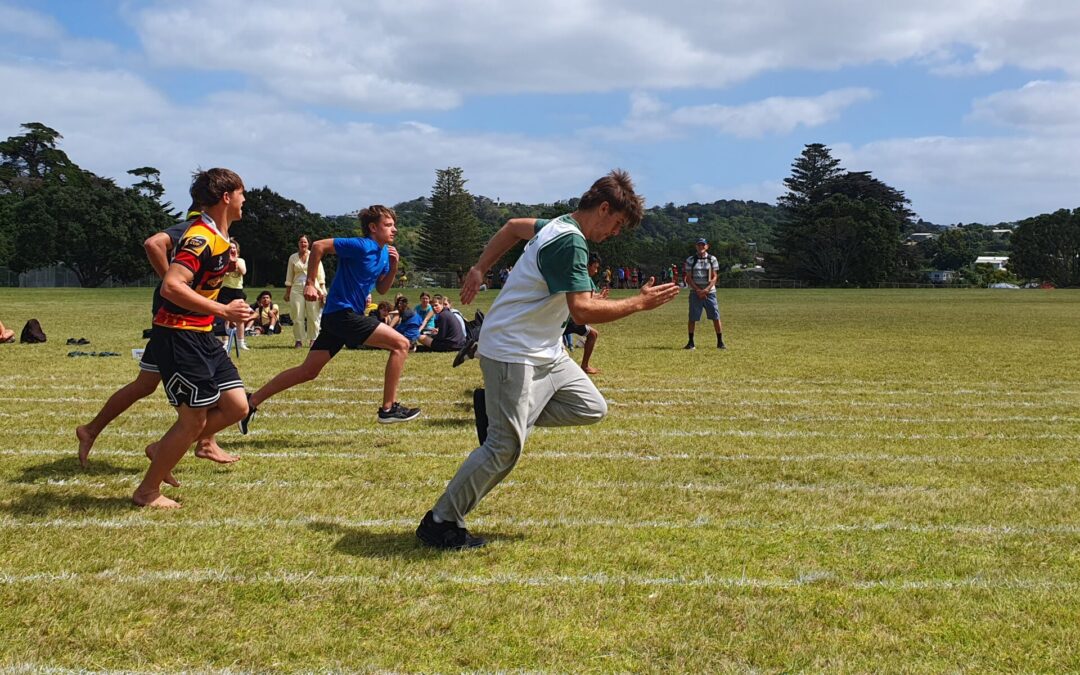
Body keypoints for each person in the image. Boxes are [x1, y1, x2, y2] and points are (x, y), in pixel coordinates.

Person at [416, 170, 680, 549]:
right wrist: (639, 303)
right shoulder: (570, 242)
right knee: (504, 449)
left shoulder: (557, 224)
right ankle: (440, 521)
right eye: (618, 224)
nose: (615, 233)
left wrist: (480, 267)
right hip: (513, 350)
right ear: (604, 209)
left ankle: (498, 411)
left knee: (591, 407)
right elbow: (583, 310)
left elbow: (512, 227)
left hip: (547, 351)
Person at [76, 206, 238, 469]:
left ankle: (91, 430)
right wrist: (173, 282)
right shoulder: (195, 229)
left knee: (144, 384)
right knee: (199, 387)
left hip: (181, 320)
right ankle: (192, 445)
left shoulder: (215, 233)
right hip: (178, 322)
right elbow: (153, 243)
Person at [134, 168, 256, 508]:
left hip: (201, 333)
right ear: (226, 197)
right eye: (242, 193)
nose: (245, 200)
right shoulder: (200, 237)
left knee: (237, 406)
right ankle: (147, 491)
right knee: (194, 420)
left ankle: (163, 449)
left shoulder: (220, 236)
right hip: (179, 335)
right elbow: (172, 286)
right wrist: (223, 310)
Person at [239, 205, 421, 429]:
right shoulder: (362, 245)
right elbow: (318, 246)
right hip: (342, 314)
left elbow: (382, 289)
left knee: (308, 371)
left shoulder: (385, 253)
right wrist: (310, 283)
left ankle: (251, 402)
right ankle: (388, 408)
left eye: (394, 225)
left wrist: (393, 267)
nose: (395, 229)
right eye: (388, 225)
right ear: (373, 228)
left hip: (340, 317)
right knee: (401, 344)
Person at [562, 252, 605, 374]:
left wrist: (597, 297)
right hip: (567, 318)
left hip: (567, 318)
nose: (596, 271)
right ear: (587, 265)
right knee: (593, 335)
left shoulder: (585, 279)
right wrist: (596, 299)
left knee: (592, 334)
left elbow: (586, 298)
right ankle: (584, 366)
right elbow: (582, 300)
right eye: (595, 267)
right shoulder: (580, 279)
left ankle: (583, 366)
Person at [284, 235, 327, 348]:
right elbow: (289, 275)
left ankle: (313, 339)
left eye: (305, 242)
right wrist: (288, 292)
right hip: (297, 288)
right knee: (297, 315)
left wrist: (322, 290)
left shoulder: (314, 255)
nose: (303, 244)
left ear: (309, 244)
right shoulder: (293, 258)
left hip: (313, 287)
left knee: (313, 314)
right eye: (301, 242)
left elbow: (320, 275)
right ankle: (298, 340)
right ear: (298, 244)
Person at [683, 237, 725, 350]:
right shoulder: (691, 260)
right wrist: (698, 290)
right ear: (696, 246)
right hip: (695, 293)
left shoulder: (712, 259)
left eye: (703, 245)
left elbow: (714, 276)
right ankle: (691, 342)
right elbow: (688, 278)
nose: (701, 247)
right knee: (692, 317)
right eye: (699, 245)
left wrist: (706, 290)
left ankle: (720, 342)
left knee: (716, 316)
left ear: (707, 246)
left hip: (710, 292)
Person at [218, 238, 249, 349]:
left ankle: (241, 342)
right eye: (230, 248)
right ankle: (225, 342)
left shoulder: (240, 260)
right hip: (225, 290)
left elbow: (243, 271)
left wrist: (234, 261)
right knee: (225, 317)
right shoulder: (222, 260)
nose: (232, 249)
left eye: (234, 248)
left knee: (240, 317)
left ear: (237, 250)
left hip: (237, 290)